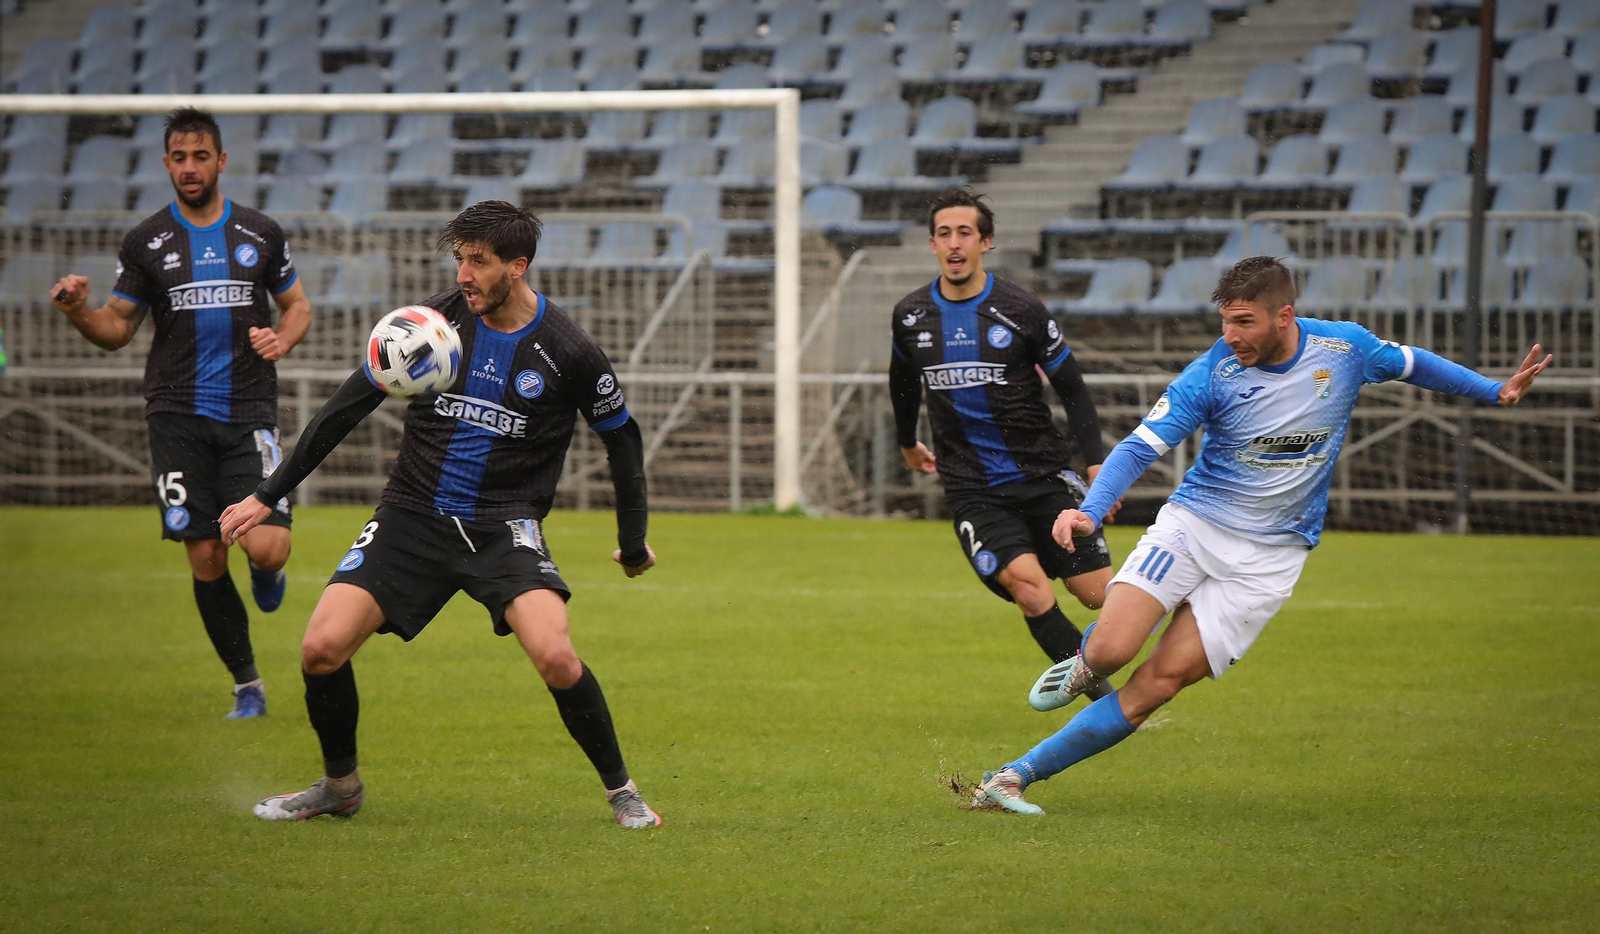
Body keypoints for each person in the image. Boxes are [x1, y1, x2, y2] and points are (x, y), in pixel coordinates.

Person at [971, 255, 1552, 814]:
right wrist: (1090, 511)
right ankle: (1086, 659)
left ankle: (1012, 777)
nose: (1231, 335)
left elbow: (1413, 364)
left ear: (1285, 316)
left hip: (1270, 561)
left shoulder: (1343, 349)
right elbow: (1142, 445)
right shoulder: (1213, 371)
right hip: (1194, 528)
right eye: (1224, 320)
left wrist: (1491, 390)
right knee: (1110, 651)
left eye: (1244, 321)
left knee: (1158, 685)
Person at [219, 200, 662, 828]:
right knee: (319, 648)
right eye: (459, 258)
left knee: (557, 656)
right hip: (412, 515)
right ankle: (339, 785)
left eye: (478, 262)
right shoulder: (427, 326)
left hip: (503, 526)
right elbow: (344, 409)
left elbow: (622, 437)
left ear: (518, 266)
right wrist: (267, 494)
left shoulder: (569, 350)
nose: (464, 274)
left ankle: (623, 792)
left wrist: (633, 538)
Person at [49, 107, 312, 719]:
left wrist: (285, 339)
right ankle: (247, 685)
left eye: (201, 156)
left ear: (221, 161)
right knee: (204, 554)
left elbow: (296, 305)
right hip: (176, 415)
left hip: (249, 410)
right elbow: (117, 328)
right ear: (166, 163)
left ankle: (267, 573)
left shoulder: (259, 233)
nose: (190, 167)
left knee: (269, 549)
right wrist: (79, 312)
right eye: (179, 157)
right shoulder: (145, 241)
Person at [889, 188, 1117, 685]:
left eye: (965, 233)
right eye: (944, 233)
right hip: (974, 490)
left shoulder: (1021, 309)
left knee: (1101, 597)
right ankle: (1106, 701)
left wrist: (1097, 462)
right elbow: (903, 384)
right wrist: (907, 441)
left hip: (1042, 476)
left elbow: (1072, 389)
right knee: (1029, 587)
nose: (954, 243)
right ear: (932, 244)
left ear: (985, 242)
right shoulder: (910, 317)